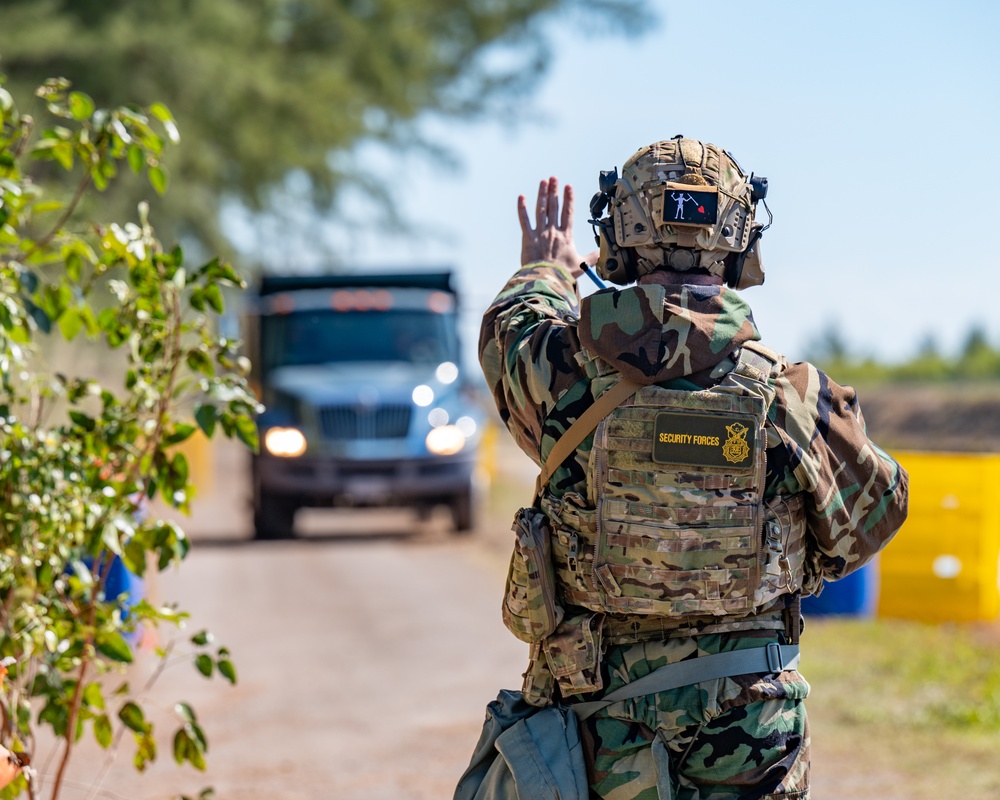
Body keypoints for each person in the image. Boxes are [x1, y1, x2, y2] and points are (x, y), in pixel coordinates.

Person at [477, 136, 908, 799]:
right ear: (739, 238)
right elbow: (873, 519)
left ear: (617, 233)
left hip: (597, 737)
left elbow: (512, 322)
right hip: (750, 737)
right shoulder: (790, 395)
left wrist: (546, 268)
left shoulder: (554, 372)